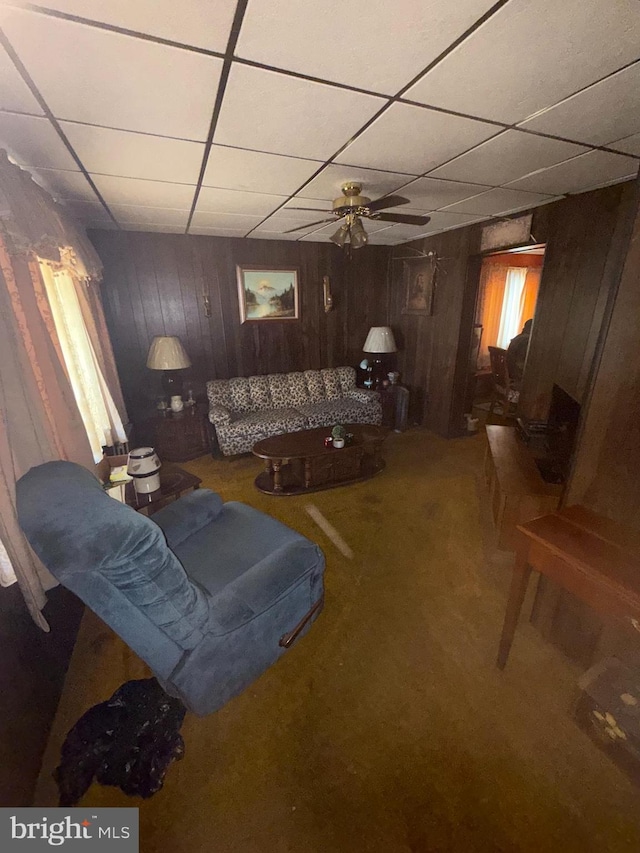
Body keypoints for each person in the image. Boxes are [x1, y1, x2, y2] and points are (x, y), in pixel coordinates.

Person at [506, 319, 533, 386]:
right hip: (514, 375)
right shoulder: (526, 340)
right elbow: (520, 363)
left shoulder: (517, 337)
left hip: (507, 371)